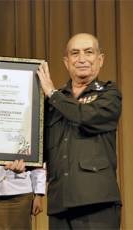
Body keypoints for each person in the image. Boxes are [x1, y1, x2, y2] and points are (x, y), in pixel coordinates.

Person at [36, 33, 122, 229]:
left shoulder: (109, 94)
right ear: (66, 62)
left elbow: (86, 116)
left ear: (100, 59)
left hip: (96, 202)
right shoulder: (52, 102)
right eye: (75, 53)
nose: (81, 59)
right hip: (59, 204)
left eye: (88, 52)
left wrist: (52, 94)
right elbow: (39, 147)